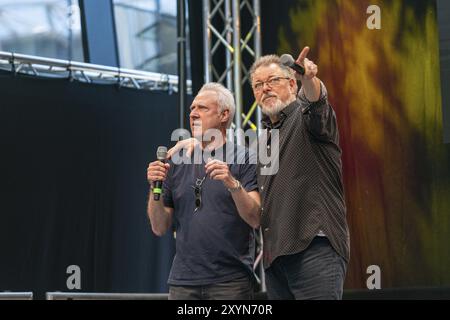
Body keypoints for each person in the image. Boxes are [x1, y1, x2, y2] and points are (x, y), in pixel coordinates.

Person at [248, 47, 350, 300]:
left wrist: (310, 77)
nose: (265, 89)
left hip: (314, 246)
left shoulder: (305, 116)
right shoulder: (261, 141)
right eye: (258, 85)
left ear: (292, 84)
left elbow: (317, 102)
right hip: (275, 260)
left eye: (273, 81)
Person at [146, 82, 261, 300]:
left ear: (224, 115)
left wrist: (231, 183)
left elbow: (255, 218)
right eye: (191, 109)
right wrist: (154, 186)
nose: (193, 114)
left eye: (202, 108)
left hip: (230, 282)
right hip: (183, 283)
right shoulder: (176, 161)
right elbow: (159, 226)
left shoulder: (245, 158)